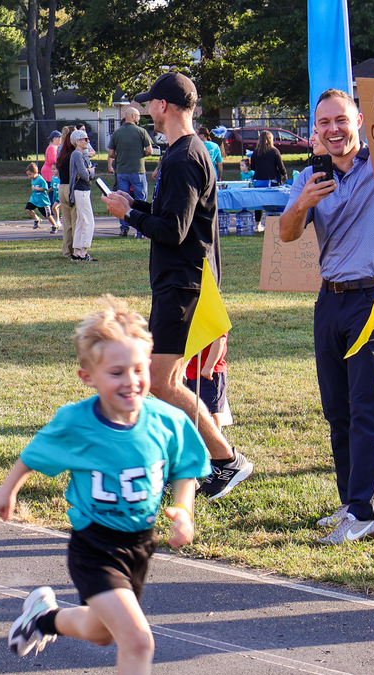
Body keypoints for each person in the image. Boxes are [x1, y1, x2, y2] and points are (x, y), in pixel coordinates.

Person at [0, 296, 209, 675]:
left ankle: (45, 617)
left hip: (140, 544)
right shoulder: (77, 423)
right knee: (138, 642)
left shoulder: (168, 421)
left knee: (102, 633)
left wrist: (184, 511)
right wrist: (8, 489)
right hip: (94, 547)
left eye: (139, 369)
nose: (131, 381)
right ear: (88, 377)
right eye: (117, 372)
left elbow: (186, 468)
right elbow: (36, 454)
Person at [102, 70, 254, 499]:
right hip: (181, 282)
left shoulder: (184, 157)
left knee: (162, 381)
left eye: (151, 102)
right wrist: (136, 204)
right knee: (163, 380)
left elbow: (174, 230)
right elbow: (173, 214)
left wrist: (128, 216)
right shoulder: (185, 152)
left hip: (183, 284)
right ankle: (202, 459)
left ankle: (224, 460)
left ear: (163, 107)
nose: (149, 108)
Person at [280, 70, 374, 543]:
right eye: (323, 123)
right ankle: (349, 505)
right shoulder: (309, 177)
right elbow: (288, 234)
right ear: (315, 131)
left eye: (340, 119)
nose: (333, 129)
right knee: (336, 408)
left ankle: (367, 511)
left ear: (358, 119)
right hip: (329, 298)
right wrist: (302, 205)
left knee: (367, 406)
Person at [108, 107, 153, 237]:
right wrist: (140, 154)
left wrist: (121, 157)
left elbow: (111, 153)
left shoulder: (117, 133)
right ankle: (141, 230)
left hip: (122, 171)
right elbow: (150, 151)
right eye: (138, 116)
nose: (139, 118)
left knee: (122, 199)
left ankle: (124, 227)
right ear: (133, 116)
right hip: (138, 170)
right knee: (141, 200)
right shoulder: (141, 131)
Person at [184, 333, 232, 430]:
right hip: (192, 371)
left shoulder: (216, 318)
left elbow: (220, 339)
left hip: (209, 373)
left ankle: (214, 441)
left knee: (211, 411)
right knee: (194, 408)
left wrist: (209, 366)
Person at [69, 129, 98, 262]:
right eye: (85, 139)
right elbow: (85, 175)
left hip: (84, 189)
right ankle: (83, 251)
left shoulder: (82, 154)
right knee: (88, 220)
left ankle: (77, 251)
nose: (88, 141)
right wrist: (89, 171)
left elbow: (88, 173)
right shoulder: (77, 154)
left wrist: (89, 171)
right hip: (80, 190)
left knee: (81, 220)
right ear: (77, 142)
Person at [56, 126, 77, 258]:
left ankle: (66, 251)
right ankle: (76, 249)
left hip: (62, 187)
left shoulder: (62, 155)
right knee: (75, 221)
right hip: (71, 188)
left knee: (67, 222)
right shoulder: (73, 155)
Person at [23, 162, 57, 230]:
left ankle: (54, 225)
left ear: (35, 172)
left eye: (30, 174)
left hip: (42, 200)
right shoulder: (33, 179)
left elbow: (45, 188)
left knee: (47, 215)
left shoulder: (40, 179)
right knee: (28, 209)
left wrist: (36, 189)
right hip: (34, 199)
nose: (29, 176)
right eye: (28, 175)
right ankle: (37, 219)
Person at [49, 164, 61, 234]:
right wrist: (47, 191)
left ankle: (57, 221)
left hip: (60, 196)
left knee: (54, 207)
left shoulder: (61, 178)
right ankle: (58, 220)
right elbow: (52, 187)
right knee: (57, 208)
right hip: (55, 196)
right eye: (52, 169)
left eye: (54, 169)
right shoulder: (53, 178)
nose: (53, 171)